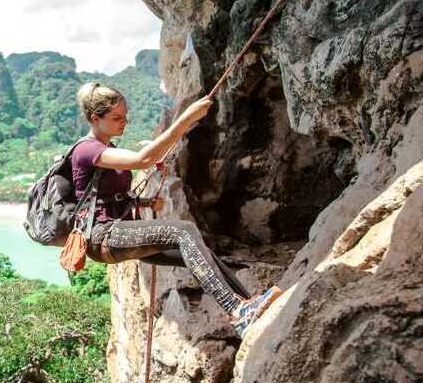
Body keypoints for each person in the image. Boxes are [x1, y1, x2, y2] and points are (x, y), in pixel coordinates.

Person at [72, 82, 281, 337]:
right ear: (95, 119)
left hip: (115, 235)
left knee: (200, 252)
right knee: (183, 231)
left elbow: (110, 198)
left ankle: (247, 306)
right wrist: (186, 119)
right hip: (102, 236)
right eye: (116, 118)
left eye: (125, 117)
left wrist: (146, 203)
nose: (123, 123)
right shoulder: (86, 149)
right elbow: (141, 160)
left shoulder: (109, 150)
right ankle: (237, 309)